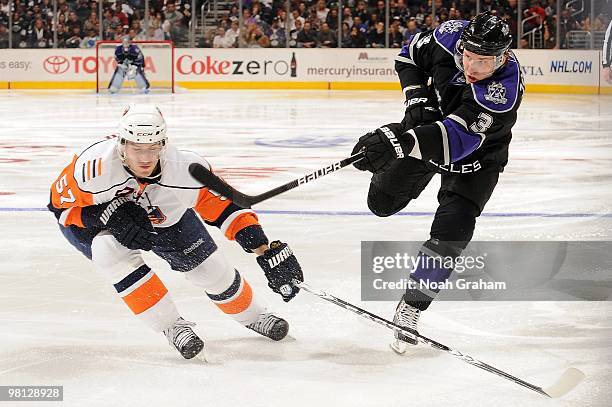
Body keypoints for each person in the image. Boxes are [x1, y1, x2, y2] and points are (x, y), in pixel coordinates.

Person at [48, 104, 304, 360]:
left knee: (211, 271)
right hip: (102, 223)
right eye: (136, 148)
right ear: (121, 144)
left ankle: (253, 315)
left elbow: (225, 209)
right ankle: (172, 326)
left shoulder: (187, 168)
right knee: (109, 253)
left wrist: (264, 249)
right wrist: (104, 216)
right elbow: (59, 208)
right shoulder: (91, 169)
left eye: (153, 147)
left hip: (166, 216)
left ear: (164, 143)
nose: (145, 158)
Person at [350, 12, 524, 354]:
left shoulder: (501, 92)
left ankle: (412, 306)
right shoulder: (447, 37)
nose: (472, 68)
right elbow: (408, 55)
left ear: (502, 58)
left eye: (484, 63)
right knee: (381, 204)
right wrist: (417, 100)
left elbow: (456, 142)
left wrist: (398, 140)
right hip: (431, 128)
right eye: (468, 57)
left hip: (477, 157)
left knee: (453, 232)